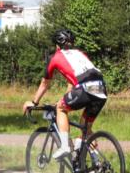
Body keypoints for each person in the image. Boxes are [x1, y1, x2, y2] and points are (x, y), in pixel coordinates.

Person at [23, 28, 108, 161]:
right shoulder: (80, 53)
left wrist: (34, 102)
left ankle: (64, 147)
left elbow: (45, 83)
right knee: (85, 129)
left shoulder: (55, 57)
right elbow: (72, 80)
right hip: (101, 88)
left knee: (60, 108)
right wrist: (65, 98)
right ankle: (97, 164)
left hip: (84, 88)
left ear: (57, 45)